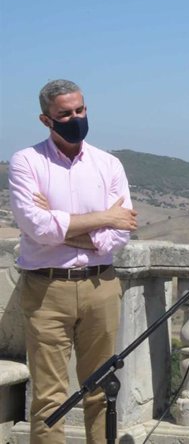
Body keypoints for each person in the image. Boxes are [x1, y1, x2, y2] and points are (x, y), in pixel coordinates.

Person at [9, 79, 137, 444]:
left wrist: (61, 224)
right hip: (46, 289)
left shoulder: (108, 164)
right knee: (49, 398)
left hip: (101, 285)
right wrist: (102, 218)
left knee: (100, 390)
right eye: (65, 113)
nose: (75, 118)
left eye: (80, 110)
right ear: (46, 119)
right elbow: (35, 226)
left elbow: (122, 229)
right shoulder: (26, 162)